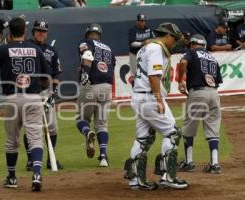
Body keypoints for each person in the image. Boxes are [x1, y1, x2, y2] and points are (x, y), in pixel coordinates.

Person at [0, 16, 50, 192]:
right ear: (25, 31)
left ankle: (12, 177)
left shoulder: (4, 49)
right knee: (35, 139)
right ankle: (36, 174)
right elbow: (46, 78)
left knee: (12, 141)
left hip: (12, 98)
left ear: (10, 33)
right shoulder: (36, 49)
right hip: (33, 97)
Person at [123, 22, 189, 190]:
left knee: (143, 138)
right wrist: (159, 99)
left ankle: (136, 180)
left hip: (140, 97)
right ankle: (168, 176)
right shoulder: (155, 49)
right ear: (167, 35)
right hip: (150, 97)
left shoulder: (147, 47)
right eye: (174, 39)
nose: (174, 43)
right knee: (173, 133)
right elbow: (154, 76)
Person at [177, 34, 223, 174]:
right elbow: (218, 80)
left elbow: (183, 62)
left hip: (198, 92)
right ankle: (214, 164)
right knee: (213, 128)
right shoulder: (212, 58)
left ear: (192, 44)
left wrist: (180, 80)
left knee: (189, 127)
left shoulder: (192, 52)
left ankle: (189, 162)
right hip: (214, 94)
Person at [24, 19, 63, 171]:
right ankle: (30, 159)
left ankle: (49, 159)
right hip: (29, 92)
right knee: (32, 127)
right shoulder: (26, 47)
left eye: (44, 31)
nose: (41, 33)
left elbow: (56, 73)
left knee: (52, 128)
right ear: (33, 32)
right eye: (38, 31)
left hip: (46, 92)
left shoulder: (51, 51)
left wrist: (53, 93)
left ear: (46, 34)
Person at [76, 23, 116, 167]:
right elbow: (112, 66)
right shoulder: (108, 48)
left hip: (91, 85)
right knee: (102, 124)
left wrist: (85, 72)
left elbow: (87, 55)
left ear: (88, 34)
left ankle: (87, 133)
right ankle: (104, 157)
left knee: (81, 119)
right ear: (100, 35)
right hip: (106, 87)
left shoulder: (86, 42)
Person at [128, 13, 154, 83]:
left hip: (145, 53)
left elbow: (153, 39)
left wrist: (150, 42)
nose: (142, 22)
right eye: (141, 21)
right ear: (137, 21)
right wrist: (143, 43)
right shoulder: (133, 30)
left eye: (144, 21)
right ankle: (135, 86)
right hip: (134, 53)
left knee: (146, 71)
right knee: (134, 73)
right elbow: (132, 43)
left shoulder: (148, 29)